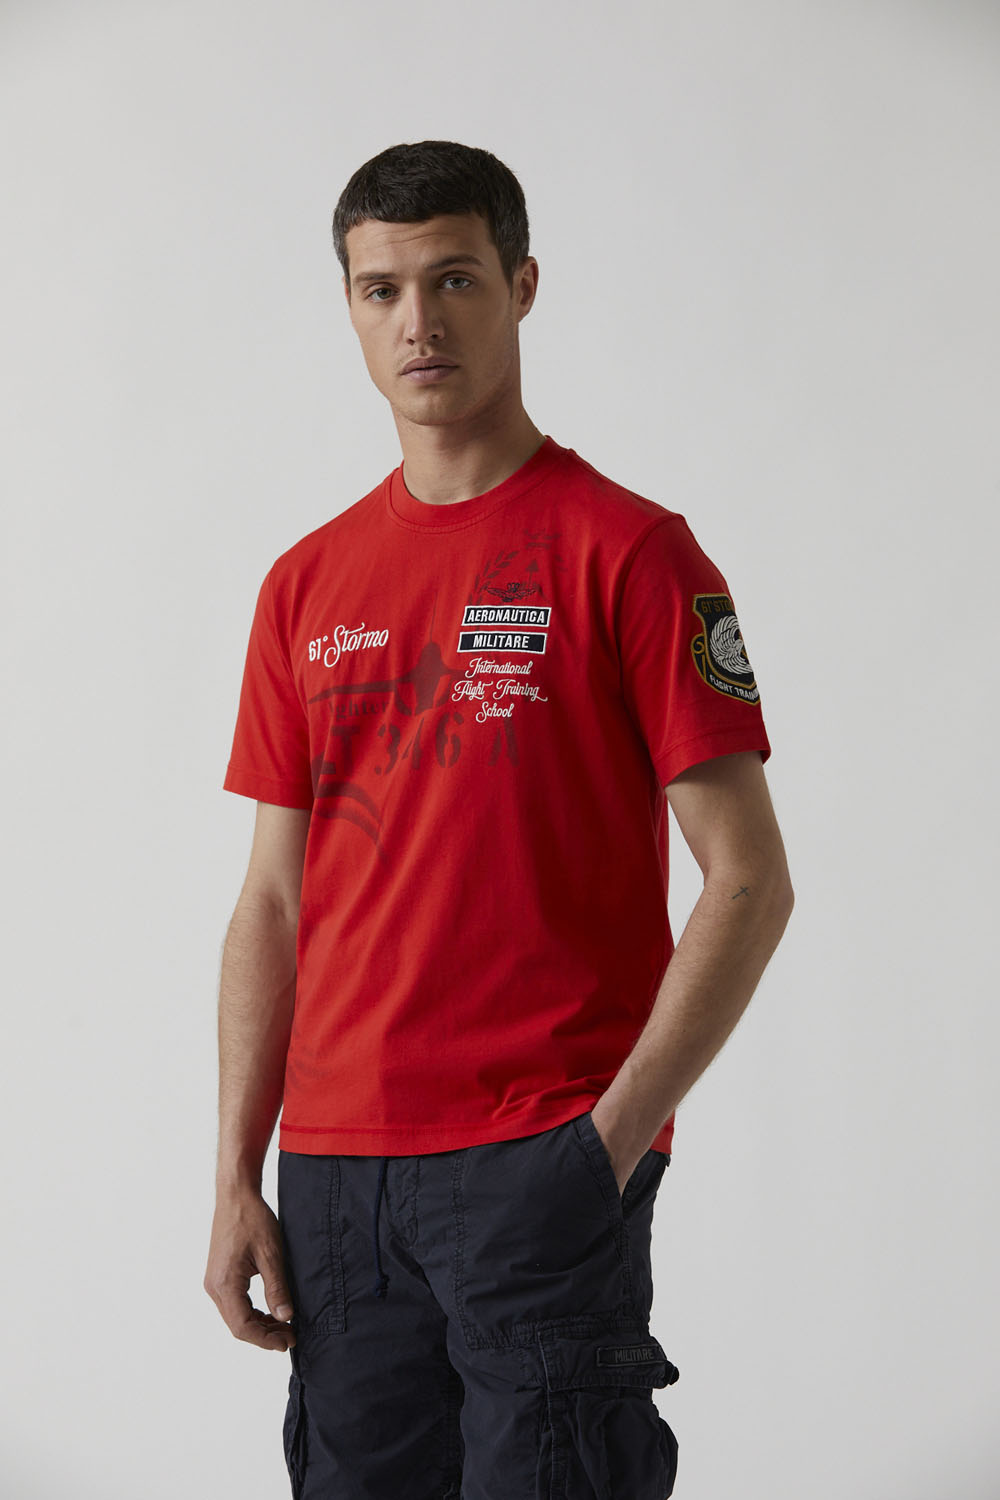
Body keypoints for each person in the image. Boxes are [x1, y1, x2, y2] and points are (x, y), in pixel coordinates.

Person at [203, 139, 794, 1499]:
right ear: (351, 308)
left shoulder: (631, 552)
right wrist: (238, 1171)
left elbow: (749, 880)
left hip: (541, 1153)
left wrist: (610, 1141)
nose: (419, 320)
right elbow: (273, 902)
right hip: (336, 1181)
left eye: (455, 278)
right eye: (383, 289)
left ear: (522, 287)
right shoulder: (304, 583)